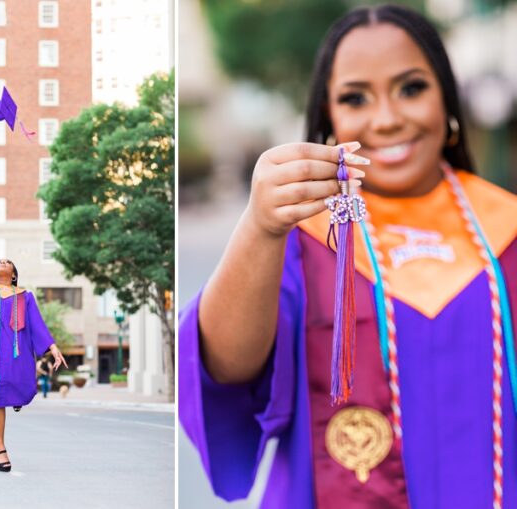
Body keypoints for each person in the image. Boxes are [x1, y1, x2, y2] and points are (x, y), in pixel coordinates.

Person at [180, 5, 517, 507]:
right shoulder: (305, 237)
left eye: (411, 88)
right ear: (329, 120)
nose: (387, 118)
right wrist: (260, 227)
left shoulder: (507, 229)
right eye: (356, 97)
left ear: (447, 100)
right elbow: (228, 371)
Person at [0, 206, 67, 472]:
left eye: (7, 262)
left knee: (17, 385)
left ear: (14, 274)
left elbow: (37, 325)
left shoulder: (24, 296)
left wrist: (53, 347)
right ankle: (1, 449)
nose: (2, 261)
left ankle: (15, 394)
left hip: (15, 353)